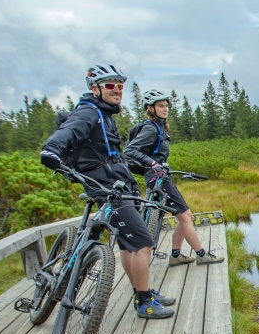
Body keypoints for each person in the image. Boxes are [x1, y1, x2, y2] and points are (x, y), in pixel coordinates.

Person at [39, 65, 176, 319]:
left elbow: (111, 156)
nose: (117, 91)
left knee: (127, 244)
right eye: (110, 85)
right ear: (95, 89)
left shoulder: (104, 114)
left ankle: (140, 290)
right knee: (144, 243)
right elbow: (67, 133)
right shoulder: (89, 113)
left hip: (117, 186)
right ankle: (144, 302)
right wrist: (51, 150)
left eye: (120, 86)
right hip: (106, 190)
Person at [125, 89, 224, 267]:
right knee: (186, 218)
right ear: (150, 108)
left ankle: (176, 255)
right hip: (158, 179)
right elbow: (130, 151)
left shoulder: (160, 127)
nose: (165, 109)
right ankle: (202, 255)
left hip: (162, 178)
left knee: (186, 216)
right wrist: (153, 163)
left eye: (166, 106)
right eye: (161, 106)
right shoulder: (150, 128)